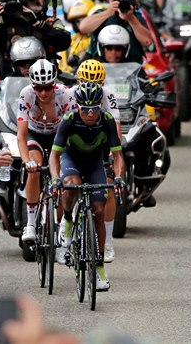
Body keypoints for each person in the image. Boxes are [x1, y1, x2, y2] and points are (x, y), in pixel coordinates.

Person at [49, 81, 125, 291]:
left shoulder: (107, 121)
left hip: (94, 164)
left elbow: (118, 156)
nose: (90, 114)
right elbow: (54, 155)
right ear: (78, 107)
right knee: (71, 184)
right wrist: (56, 179)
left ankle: (99, 268)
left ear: (100, 107)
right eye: (85, 109)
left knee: (99, 209)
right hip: (71, 160)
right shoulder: (69, 120)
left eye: (94, 109)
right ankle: (67, 220)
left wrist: (118, 177)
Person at [19, 59, 75, 243]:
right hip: (35, 135)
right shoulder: (26, 95)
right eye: (38, 88)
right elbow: (21, 135)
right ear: (32, 85)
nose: (43, 92)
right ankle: (30, 224)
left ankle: (59, 228)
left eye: (47, 87)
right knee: (34, 167)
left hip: (59, 135)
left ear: (54, 84)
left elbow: (73, 129)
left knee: (59, 178)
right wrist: (27, 161)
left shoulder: (65, 94)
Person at [71, 59, 120, 262]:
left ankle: (107, 242)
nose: (91, 87)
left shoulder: (108, 94)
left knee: (108, 189)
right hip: (75, 143)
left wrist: (112, 154)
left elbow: (115, 126)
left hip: (100, 144)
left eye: (97, 83)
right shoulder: (70, 93)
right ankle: (66, 224)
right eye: (85, 82)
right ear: (77, 81)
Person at [0, 0, 71, 79]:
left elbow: (64, 42)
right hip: (10, 86)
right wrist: (0, 24)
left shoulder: (50, 22)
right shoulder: (7, 24)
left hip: (46, 84)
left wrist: (38, 23)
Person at [78, 0, 152, 64]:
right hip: (100, 68)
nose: (123, 2)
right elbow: (83, 28)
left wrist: (131, 18)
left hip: (130, 69)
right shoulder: (101, 13)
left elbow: (147, 42)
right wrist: (109, 12)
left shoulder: (137, 17)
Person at [58, 0, 94, 74]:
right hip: (73, 79)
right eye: (77, 21)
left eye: (85, 19)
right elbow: (62, 66)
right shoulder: (70, 39)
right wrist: (71, 69)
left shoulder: (97, 37)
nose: (81, 23)